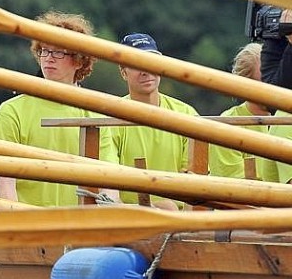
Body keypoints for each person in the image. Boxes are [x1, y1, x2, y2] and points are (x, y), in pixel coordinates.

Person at [0, 11, 117, 206]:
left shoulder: (96, 113)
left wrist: (108, 217)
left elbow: (109, 181)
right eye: (44, 51)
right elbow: (6, 183)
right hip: (31, 226)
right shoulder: (11, 111)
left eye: (58, 52)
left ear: (80, 60)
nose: (48, 58)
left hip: (81, 229)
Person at [111, 33, 199, 210]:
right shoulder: (111, 119)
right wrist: (155, 208)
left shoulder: (186, 114)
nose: (146, 70)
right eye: (137, 64)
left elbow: (194, 182)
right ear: (123, 72)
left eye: (151, 62)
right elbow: (109, 184)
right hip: (130, 220)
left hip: (179, 223)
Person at [209, 43, 271, 179]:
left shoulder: (286, 117)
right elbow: (232, 189)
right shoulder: (227, 125)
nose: (273, 84)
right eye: (266, 80)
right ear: (245, 85)